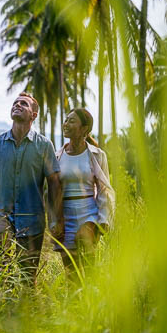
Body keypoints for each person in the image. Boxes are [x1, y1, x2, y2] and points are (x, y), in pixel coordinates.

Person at [0, 92, 63, 280]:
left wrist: (55, 217)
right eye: (15, 103)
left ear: (33, 115)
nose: (17, 105)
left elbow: (54, 184)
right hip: (2, 213)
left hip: (32, 217)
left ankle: (27, 307)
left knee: (27, 276)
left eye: (23, 104)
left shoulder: (43, 145)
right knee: (1, 268)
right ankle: (2, 306)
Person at [51, 107, 115, 270]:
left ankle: (94, 294)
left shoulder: (97, 155)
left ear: (84, 129)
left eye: (72, 121)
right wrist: (55, 221)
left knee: (87, 266)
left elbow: (103, 190)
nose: (66, 124)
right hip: (65, 218)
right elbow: (52, 192)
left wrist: (103, 220)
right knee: (72, 274)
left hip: (89, 215)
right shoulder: (58, 156)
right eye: (66, 120)